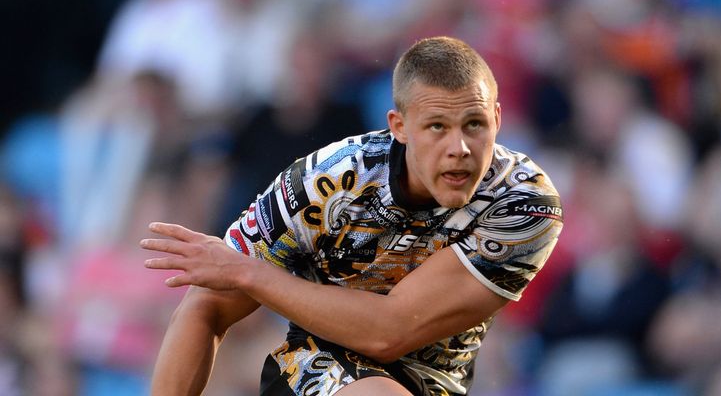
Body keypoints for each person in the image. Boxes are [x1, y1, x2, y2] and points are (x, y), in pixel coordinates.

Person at [142, 36, 564, 395]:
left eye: (474, 124)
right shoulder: (327, 181)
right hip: (315, 366)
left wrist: (247, 273)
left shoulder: (524, 205)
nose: (460, 148)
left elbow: (390, 331)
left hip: (433, 381)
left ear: (497, 119)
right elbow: (205, 307)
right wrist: (237, 274)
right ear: (399, 126)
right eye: (437, 126)